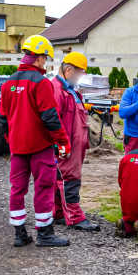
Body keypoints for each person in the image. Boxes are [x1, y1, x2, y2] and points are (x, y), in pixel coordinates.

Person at [0, 35, 71, 247]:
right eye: (45, 58)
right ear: (39, 58)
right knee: (44, 188)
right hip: (40, 146)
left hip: (18, 147)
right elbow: (50, 116)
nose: (46, 62)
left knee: (17, 189)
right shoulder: (41, 83)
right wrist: (63, 142)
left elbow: (3, 119)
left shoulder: (8, 84)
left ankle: (19, 234)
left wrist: (11, 140)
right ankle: (45, 234)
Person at [51, 51, 99, 232]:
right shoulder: (57, 90)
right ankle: (75, 217)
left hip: (73, 146)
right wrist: (60, 144)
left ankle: (58, 213)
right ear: (68, 70)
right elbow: (53, 119)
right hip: (66, 147)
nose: (80, 77)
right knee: (69, 179)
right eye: (79, 73)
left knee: (59, 179)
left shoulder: (70, 90)